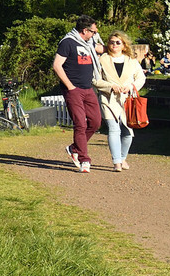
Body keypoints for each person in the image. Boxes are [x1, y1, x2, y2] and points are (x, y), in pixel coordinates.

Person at [53, 15, 102, 174]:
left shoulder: (89, 43)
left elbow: (102, 48)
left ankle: (74, 148)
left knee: (95, 122)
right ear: (85, 31)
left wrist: (121, 46)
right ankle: (84, 159)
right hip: (73, 89)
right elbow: (57, 65)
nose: (95, 34)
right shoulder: (67, 42)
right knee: (80, 123)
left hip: (88, 88)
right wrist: (70, 87)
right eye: (93, 31)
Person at [95, 32, 145, 171]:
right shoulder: (102, 59)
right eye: (112, 42)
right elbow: (95, 79)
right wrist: (110, 86)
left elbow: (141, 78)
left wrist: (131, 86)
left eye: (118, 42)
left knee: (128, 132)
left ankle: (122, 158)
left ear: (124, 45)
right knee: (114, 129)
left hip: (127, 100)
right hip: (108, 99)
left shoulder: (131, 61)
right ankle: (116, 162)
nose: (114, 45)